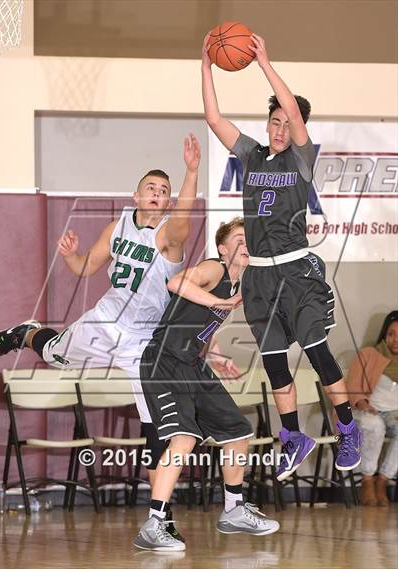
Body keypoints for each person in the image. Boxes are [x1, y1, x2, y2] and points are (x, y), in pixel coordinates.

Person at [0, 134, 201, 535]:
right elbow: (86, 267)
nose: (157, 194)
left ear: (169, 203)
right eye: (150, 188)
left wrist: (191, 172)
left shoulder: (170, 235)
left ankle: (160, 514)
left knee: (155, 423)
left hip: (143, 341)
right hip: (104, 322)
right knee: (51, 354)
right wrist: (69, 254)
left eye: (164, 192)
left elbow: (186, 216)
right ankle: (27, 333)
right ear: (135, 195)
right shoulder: (116, 226)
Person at [201, 32, 361, 481]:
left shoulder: (302, 160)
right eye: (274, 121)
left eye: (286, 124)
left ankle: (347, 427)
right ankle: (293, 436)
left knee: (316, 351)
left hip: (296, 270)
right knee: (273, 363)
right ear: (266, 123)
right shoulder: (251, 156)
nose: (279, 128)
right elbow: (213, 118)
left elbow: (293, 111)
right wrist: (206, 63)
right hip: (258, 278)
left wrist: (264, 63)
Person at [134, 218, 280, 552]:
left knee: (238, 431)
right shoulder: (215, 268)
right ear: (224, 248)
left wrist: (215, 354)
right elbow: (177, 283)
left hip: (192, 363)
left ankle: (233, 509)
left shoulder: (237, 284)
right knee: (184, 439)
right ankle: (154, 524)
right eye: (239, 239)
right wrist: (223, 303)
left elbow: (203, 325)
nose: (246, 244)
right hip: (164, 361)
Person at [347, 311, 398, 506]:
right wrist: (363, 404)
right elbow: (352, 386)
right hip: (367, 409)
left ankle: (383, 480)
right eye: (391, 334)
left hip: (394, 414)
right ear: (384, 334)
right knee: (374, 425)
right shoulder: (369, 354)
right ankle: (367, 480)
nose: (395, 339)